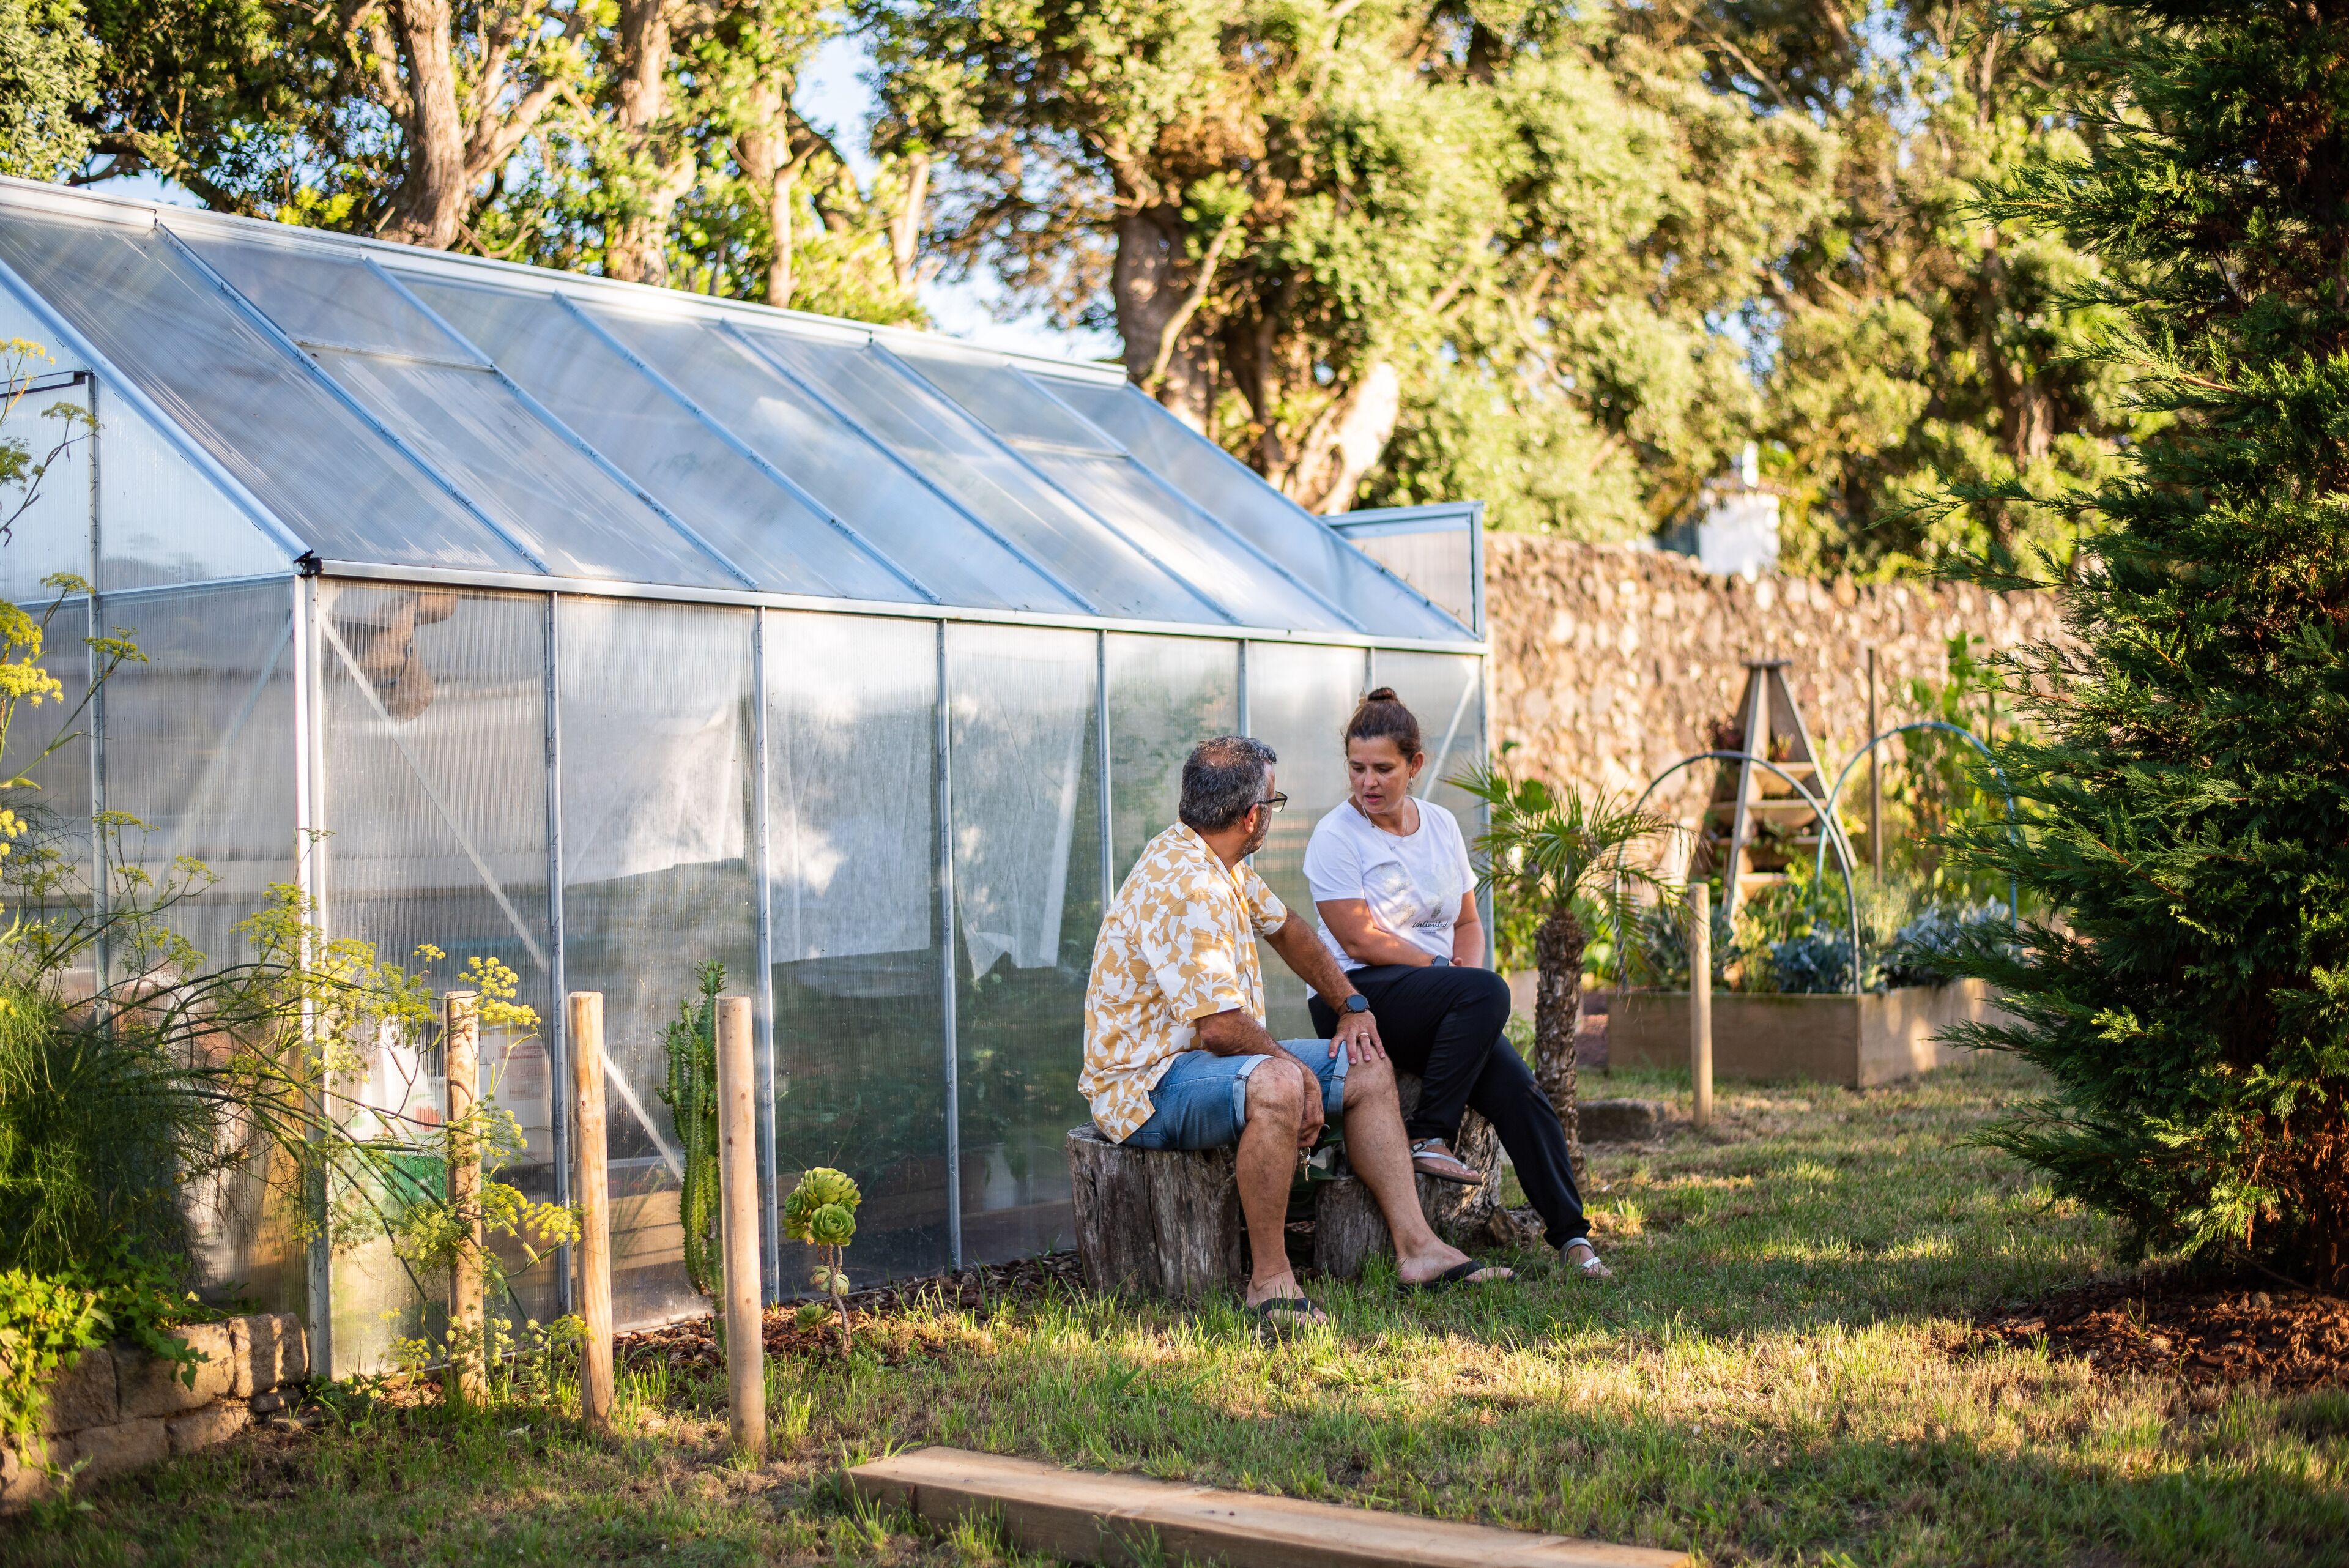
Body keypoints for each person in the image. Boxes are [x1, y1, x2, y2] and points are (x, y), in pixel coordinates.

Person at [1082, 735, 1513, 1327]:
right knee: (1280, 1084)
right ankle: (1270, 1282)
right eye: (1273, 801)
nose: (1273, 812)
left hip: (1197, 1064)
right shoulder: (1185, 883)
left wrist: (1352, 1004)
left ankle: (1418, 1249)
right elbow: (1220, 1028)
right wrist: (1296, 1073)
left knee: (1365, 1063)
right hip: (1145, 1088)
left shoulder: (1218, 861)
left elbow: (1288, 930)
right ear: (1251, 816)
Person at [1302, 688, 1611, 1280]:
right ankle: (1429, 1135)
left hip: (1439, 997)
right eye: (1357, 768)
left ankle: (1573, 1238)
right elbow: (1358, 939)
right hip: (1358, 994)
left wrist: (1460, 973)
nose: (1368, 782)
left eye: (1383, 768)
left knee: (1520, 1092)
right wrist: (1448, 975)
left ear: (1415, 764)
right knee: (1487, 992)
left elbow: (1467, 922)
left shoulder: (1440, 825)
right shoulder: (1336, 834)